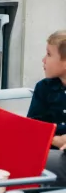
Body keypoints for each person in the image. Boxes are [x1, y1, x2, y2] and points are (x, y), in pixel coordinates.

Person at [27, 30, 66, 185]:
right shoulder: (44, 88)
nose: (43, 60)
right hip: (47, 150)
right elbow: (32, 129)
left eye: (49, 55)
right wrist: (58, 140)